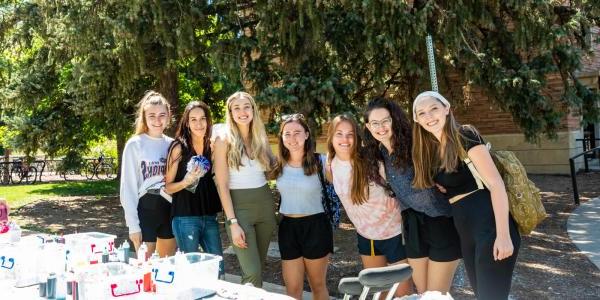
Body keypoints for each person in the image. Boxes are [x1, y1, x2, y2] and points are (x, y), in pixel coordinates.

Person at [412, 91, 520, 300]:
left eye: (434, 108)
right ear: (416, 119)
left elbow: (496, 184)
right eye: (421, 113)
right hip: (466, 233)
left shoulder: (464, 135)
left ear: (447, 108)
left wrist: (503, 236)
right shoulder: (432, 151)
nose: (429, 116)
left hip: (490, 228)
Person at [362, 97, 461, 294]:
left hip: (441, 220)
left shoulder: (415, 143)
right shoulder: (378, 153)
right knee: (423, 293)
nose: (381, 127)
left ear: (395, 120)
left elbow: (447, 161)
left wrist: (444, 184)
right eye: (375, 123)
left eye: (386, 120)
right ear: (368, 126)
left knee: (436, 296)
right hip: (413, 224)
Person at [326, 114, 411, 297]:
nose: (345, 139)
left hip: (395, 233)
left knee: (402, 294)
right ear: (331, 136)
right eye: (339, 134)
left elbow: (399, 186)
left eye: (350, 134)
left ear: (357, 136)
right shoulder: (330, 165)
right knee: (378, 293)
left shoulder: (371, 160)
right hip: (367, 236)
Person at [213, 91, 277, 287]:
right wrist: (232, 222)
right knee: (252, 273)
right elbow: (222, 184)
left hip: (265, 207)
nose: (242, 112)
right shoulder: (223, 140)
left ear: (253, 110)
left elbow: (269, 174)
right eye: (237, 108)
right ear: (230, 113)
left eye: (246, 107)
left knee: (258, 268)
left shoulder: (260, 136)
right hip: (239, 210)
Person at [271, 114, 332, 300]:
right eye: (287, 134)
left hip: (316, 227)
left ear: (307, 134)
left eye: (297, 132)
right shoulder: (277, 164)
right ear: (281, 137)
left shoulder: (321, 162)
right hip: (288, 228)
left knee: (318, 285)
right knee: (292, 291)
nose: (292, 138)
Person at [164, 101, 224, 275]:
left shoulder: (211, 146)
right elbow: (167, 187)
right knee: (190, 272)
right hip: (185, 218)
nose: (199, 124)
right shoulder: (178, 147)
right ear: (187, 123)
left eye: (202, 119)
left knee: (218, 270)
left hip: (209, 217)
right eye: (193, 119)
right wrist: (186, 181)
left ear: (208, 121)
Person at [120, 90, 176, 257]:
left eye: (162, 115)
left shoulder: (173, 145)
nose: (157, 120)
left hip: (169, 210)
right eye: (152, 115)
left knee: (167, 269)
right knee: (147, 271)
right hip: (146, 211)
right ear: (144, 117)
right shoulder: (135, 144)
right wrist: (133, 226)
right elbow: (128, 188)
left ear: (168, 115)